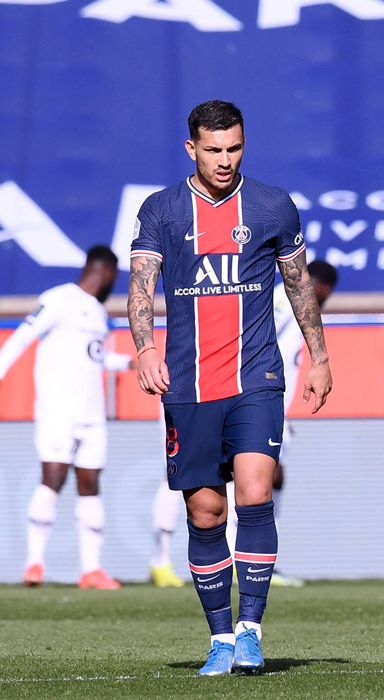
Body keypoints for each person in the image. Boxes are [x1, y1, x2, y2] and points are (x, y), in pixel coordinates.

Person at [127, 100, 333, 676]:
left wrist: (319, 358)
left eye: (235, 148)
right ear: (190, 148)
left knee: (255, 493)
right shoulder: (162, 211)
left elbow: (298, 287)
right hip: (189, 384)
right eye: (214, 150)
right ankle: (219, 637)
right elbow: (142, 286)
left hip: (257, 378)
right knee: (208, 511)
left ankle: (251, 630)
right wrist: (145, 348)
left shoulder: (272, 206)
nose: (225, 160)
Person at [159, 259, 340, 588]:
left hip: (253, 399)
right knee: (197, 480)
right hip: (230, 396)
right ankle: (164, 561)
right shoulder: (284, 302)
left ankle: (253, 559)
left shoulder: (281, 301)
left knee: (262, 478)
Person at [0, 245, 128, 590]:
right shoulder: (58, 299)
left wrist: (130, 364)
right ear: (106, 272)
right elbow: (22, 336)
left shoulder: (98, 314)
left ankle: (91, 569)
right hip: (58, 410)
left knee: (90, 485)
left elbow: (98, 359)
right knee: (52, 478)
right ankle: (34, 564)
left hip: (93, 414)